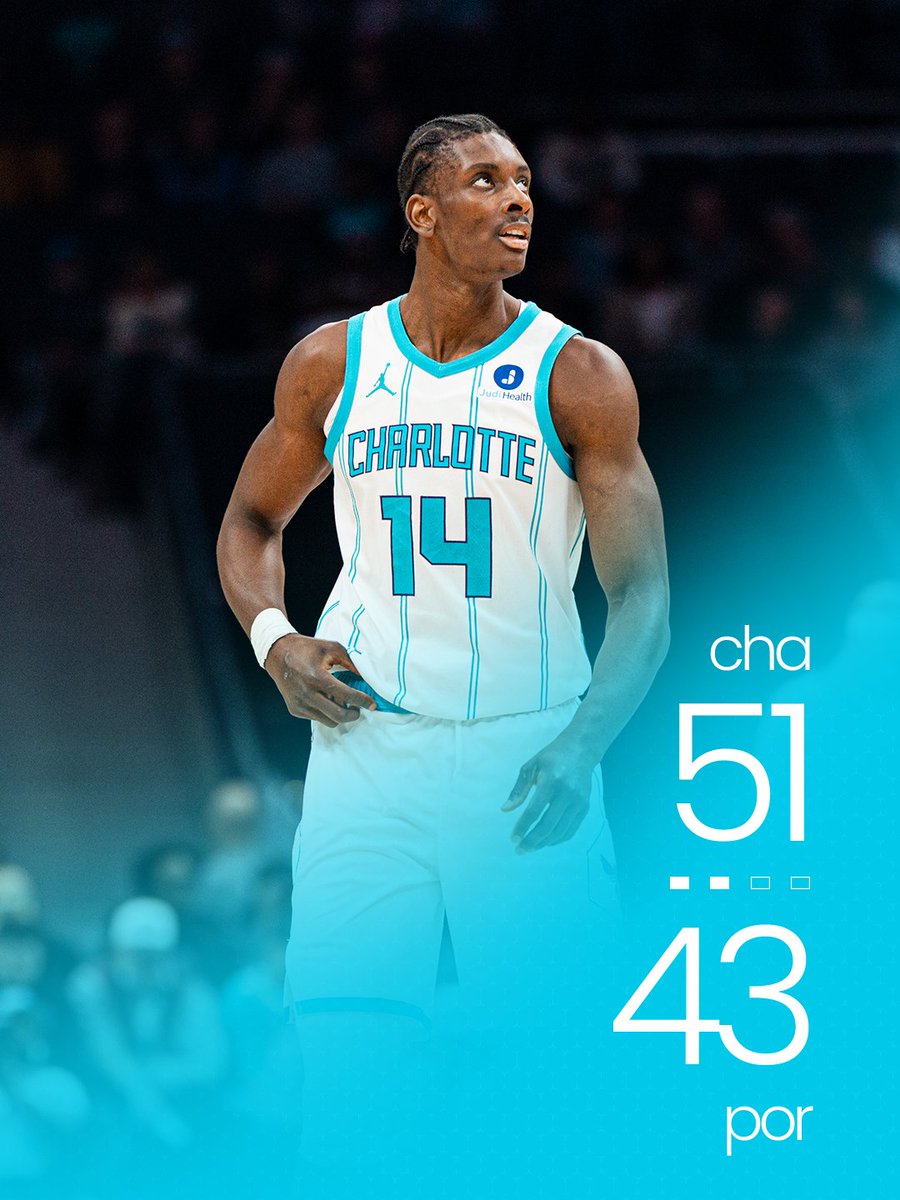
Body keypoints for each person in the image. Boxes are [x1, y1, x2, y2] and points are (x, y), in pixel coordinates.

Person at [217, 113, 669, 1185]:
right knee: (350, 1078)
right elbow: (250, 522)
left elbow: (644, 598)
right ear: (421, 212)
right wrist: (277, 641)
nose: (518, 200)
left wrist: (582, 746)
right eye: (485, 181)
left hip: (527, 760)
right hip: (367, 756)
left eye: (524, 181)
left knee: (557, 1090)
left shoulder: (579, 373)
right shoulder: (334, 363)